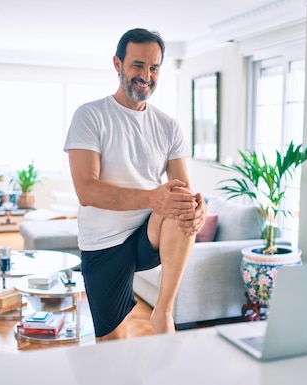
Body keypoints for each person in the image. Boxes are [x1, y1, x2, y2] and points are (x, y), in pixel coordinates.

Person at [64, 28, 206, 340]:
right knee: (113, 345)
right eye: (138, 65)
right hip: (104, 243)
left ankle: (164, 311)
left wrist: (198, 206)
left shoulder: (168, 126)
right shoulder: (90, 116)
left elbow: (182, 188)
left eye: (154, 67)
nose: (146, 76)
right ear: (118, 64)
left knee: (182, 202)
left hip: (148, 235)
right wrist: (154, 199)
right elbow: (87, 191)